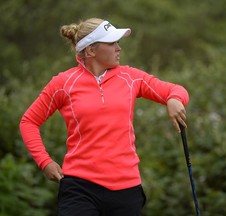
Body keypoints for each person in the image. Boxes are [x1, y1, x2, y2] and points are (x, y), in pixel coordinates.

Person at [19, 18, 189, 216]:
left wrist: (174, 99)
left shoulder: (131, 77)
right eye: (112, 43)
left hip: (126, 189)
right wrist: (44, 161)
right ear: (91, 50)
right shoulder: (63, 83)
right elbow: (29, 121)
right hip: (79, 187)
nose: (119, 49)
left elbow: (176, 90)